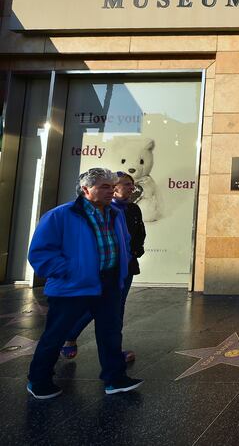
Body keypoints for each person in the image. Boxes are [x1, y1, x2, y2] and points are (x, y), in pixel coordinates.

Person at [26, 168, 143, 399]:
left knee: (110, 333)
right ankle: (38, 380)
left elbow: (124, 241)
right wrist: (71, 271)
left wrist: (123, 264)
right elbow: (40, 254)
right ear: (86, 189)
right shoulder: (60, 216)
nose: (111, 191)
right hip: (72, 287)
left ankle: (115, 378)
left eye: (112, 186)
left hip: (108, 283)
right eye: (104, 187)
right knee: (56, 335)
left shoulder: (116, 214)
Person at [60, 171, 146, 363]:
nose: (131, 188)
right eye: (126, 184)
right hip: (97, 270)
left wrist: (134, 252)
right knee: (93, 307)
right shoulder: (93, 211)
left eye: (132, 185)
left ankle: (113, 355)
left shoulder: (132, 209)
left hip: (125, 267)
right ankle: (69, 336)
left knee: (116, 309)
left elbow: (139, 234)